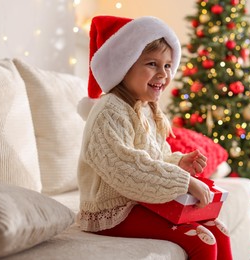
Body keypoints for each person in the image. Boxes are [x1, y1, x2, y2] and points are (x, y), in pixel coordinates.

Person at [76, 15, 233, 260]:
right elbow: (126, 168)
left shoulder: (149, 110)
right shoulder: (109, 111)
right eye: (152, 64)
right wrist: (185, 181)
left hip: (140, 202)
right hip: (114, 211)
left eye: (168, 66)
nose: (163, 74)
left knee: (218, 230)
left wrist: (178, 163)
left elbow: (154, 159)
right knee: (203, 241)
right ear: (124, 66)